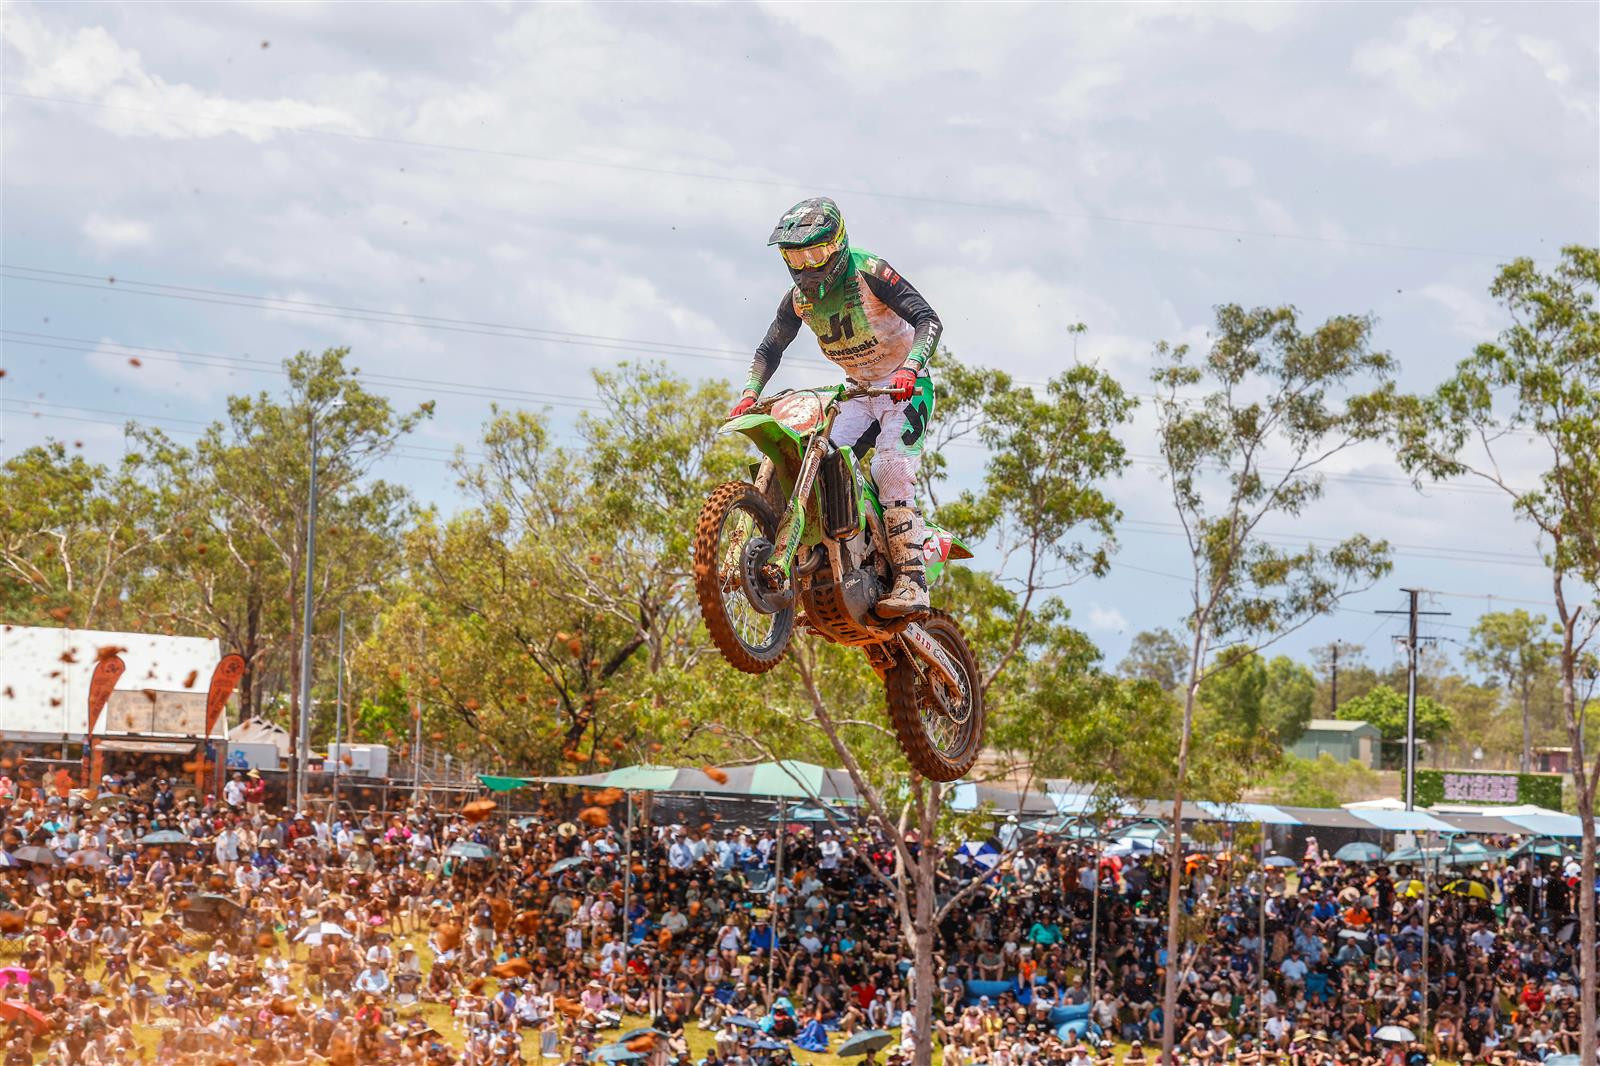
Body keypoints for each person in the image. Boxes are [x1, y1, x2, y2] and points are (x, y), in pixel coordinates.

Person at [731, 197, 943, 617]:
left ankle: (912, 581)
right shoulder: (798, 300)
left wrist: (912, 366)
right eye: (795, 257)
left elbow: (928, 319)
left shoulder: (870, 272)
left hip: (904, 387)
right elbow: (770, 348)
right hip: (857, 392)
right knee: (812, 458)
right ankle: (817, 564)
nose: (806, 267)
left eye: (814, 255)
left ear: (837, 244)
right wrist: (750, 393)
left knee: (889, 468)